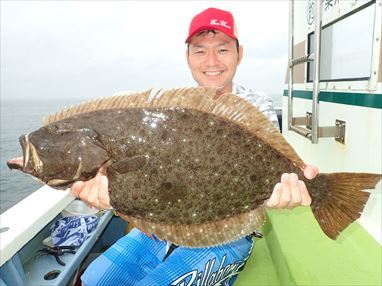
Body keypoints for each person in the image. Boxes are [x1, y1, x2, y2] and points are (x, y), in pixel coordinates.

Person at [72, 7, 319, 286]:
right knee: (91, 280)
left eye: (222, 50)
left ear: (240, 53)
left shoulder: (256, 107)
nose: (211, 61)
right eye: (200, 51)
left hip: (226, 234)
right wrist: (115, 197)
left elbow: (269, 173)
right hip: (161, 227)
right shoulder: (175, 110)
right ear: (188, 57)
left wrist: (285, 190)